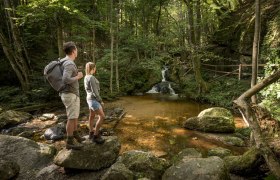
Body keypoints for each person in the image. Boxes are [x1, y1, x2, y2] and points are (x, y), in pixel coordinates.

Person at [60, 41, 85, 150]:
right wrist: (78, 77)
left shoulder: (64, 61)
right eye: (76, 49)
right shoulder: (69, 63)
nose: (77, 51)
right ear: (73, 51)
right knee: (71, 117)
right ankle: (69, 141)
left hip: (71, 93)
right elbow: (65, 79)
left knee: (74, 116)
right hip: (69, 94)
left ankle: (75, 134)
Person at [84, 62, 105, 144]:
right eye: (95, 68)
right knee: (102, 116)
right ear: (93, 68)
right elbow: (95, 91)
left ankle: (91, 133)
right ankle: (95, 136)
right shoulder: (91, 77)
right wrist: (100, 101)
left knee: (92, 116)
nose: (95, 69)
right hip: (93, 99)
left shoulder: (86, 77)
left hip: (89, 99)